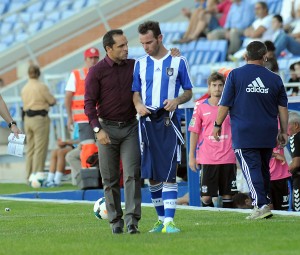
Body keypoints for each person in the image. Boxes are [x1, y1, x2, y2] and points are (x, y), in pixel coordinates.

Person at [213, 41, 288, 219]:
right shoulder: (275, 78)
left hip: (245, 133)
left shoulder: (235, 76)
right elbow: (283, 108)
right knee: (263, 169)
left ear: (246, 56)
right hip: (268, 132)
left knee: (251, 169)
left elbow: (224, 103)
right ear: (265, 57)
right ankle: (265, 201)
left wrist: (217, 125)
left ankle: (260, 205)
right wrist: (284, 131)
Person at [132, 21, 193, 233]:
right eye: (142, 43)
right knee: (151, 174)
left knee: (169, 171)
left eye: (149, 42)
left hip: (168, 121)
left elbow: (188, 91)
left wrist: (177, 100)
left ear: (160, 38)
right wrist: (138, 104)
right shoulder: (139, 63)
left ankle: (170, 221)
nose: (146, 46)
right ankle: (160, 220)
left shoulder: (178, 60)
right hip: (146, 122)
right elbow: (135, 92)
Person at [84, 29, 142, 235]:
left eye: (126, 44)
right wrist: (97, 130)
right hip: (106, 129)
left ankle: (132, 222)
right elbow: (89, 104)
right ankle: (115, 222)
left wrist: (174, 57)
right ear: (108, 49)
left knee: (132, 175)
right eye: (121, 46)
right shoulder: (96, 72)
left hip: (130, 128)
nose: (126, 48)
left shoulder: (135, 66)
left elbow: (156, 66)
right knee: (109, 179)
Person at [189, 72, 237, 209]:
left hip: (228, 155)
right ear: (209, 87)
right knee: (206, 196)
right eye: (214, 85)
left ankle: (229, 225)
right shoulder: (200, 106)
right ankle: (210, 219)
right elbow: (194, 131)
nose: (217, 88)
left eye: (220, 85)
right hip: (208, 157)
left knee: (228, 194)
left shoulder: (232, 106)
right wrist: (191, 156)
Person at [21, 65, 56, 182]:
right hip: (39, 119)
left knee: (30, 148)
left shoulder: (24, 88)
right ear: (38, 73)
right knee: (40, 148)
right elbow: (51, 101)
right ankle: (37, 175)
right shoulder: (41, 87)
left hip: (27, 119)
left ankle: (28, 175)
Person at [65, 47, 99, 142]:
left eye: (95, 58)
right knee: (88, 148)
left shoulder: (102, 73)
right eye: (90, 58)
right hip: (83, 120)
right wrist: (69, 117)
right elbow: (68, 97)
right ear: (85, 59)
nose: (93, 60)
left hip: (100, 118)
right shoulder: (76, 74)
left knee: (102, 149)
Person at [287, 111, 300, 211]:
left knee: (297, 210)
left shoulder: (295, 137)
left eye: (286, 125)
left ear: (295, 125)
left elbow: (296, 163)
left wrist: (284, 172)